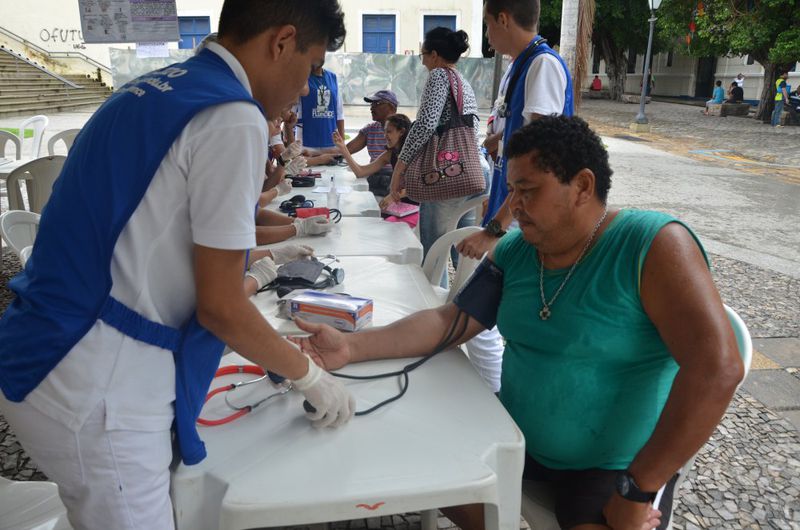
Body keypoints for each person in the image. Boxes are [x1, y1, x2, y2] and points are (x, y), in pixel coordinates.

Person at [291, 116, 744, 530]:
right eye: (511, 190)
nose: (513, 205)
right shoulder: (517, 251)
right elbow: (452, 321)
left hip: (613, 467)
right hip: (516, 440)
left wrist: (638, 487)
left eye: (529, 191)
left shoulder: (652, 244)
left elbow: (716, 368)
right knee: (412, 462)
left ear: (582, 186)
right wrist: (352, 347)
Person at [0, 2, 355, 528]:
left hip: (46, 345)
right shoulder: (234, 116)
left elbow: (161, 238)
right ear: (281, 43)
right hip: (98, 385)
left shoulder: (154, 89)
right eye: (311, 67)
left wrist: (270, 259)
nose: (306, 88)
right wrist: (307, 376)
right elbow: (220, 306)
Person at [457, 0, 573, 260]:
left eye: (487, 24)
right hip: (513, 213)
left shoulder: (542, 65)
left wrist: (494, 228)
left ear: (503, 19)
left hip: (528, 223)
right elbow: (520, 132)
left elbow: (538, 160)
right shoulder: (520, 65)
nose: (487, 34)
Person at [383, 26, 486, 259]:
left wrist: (401, 166)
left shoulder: (439, 75)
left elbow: (425, 124)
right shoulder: (462, 82)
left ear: (435, 55)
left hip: (446, 177)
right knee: (463, 254)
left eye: (423, 55)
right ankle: (461, 296)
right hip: (473, 173)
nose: (422, 63)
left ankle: (432, 295)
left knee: (434, 253)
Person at [332, 113, 410, 179]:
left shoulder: (412, 155)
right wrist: (343, 148)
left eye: (389, 132)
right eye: (384, 131)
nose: (385, 136)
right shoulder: (389, 154)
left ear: (402, 132)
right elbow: (360, 172)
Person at [296, 62, 344, 149]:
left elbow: (339, 114)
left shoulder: (333, 78)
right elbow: (291, 112)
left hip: (331, 141)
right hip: (306, 143)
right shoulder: (302, 78)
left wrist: (342, 144)